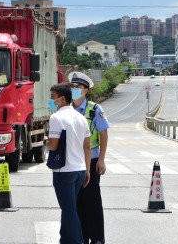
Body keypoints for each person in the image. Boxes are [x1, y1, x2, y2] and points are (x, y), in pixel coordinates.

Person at [46, 83, 91, 244]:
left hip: (63, 170)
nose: (51, 100)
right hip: (79, 169)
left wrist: (44, 141)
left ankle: (77, 241)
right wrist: (87, 170)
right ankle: (65, 240)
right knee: (69, 208)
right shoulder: (81, 118)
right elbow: (87, 146)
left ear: (62, 98)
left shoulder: (56, 118)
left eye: (53, 97)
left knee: (69, 209)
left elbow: (53, 145)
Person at [69, 72, 110, 244]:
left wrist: (101, 159)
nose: (74, 90)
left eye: (78, 87)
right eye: (72, 86)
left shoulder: (94, 109)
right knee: (76, 201)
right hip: (72, 161)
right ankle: (82, 237)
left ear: (85, 90)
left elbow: (103, 134)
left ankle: (98, 238)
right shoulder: (66, 109)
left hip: (91, 161)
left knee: (92, 201)